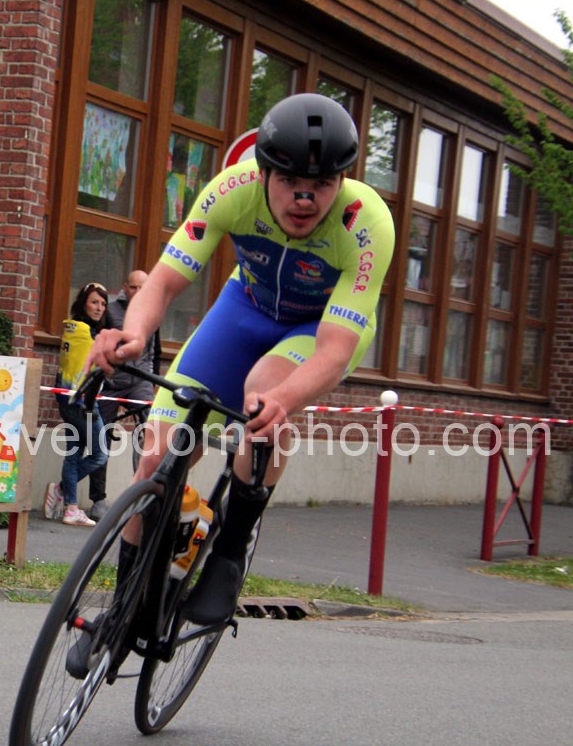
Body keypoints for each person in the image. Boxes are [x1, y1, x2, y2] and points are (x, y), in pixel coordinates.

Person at [86, 93, 395, 624]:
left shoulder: (365, 224)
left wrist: (282, 401)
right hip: (245, 307)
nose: (304, 198)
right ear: (264, 171)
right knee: (154, 459)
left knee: (262, 394)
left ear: (342, 180)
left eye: (322, 184)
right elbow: (163, 281)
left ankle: (229, 552)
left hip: (317, 328)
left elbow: (334, 350)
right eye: (289, 181)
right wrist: (131, 334)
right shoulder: (232, 190)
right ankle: (121, 610)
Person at [86, 270, 161, 521]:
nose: (138, 293)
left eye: (143, 288)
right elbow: (96, 341)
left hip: (140, 381)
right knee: (101, 438)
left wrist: (152, 380)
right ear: (124, 288)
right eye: (133, 287)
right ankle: (98, 500)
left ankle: (143, 495)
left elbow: (155, 350)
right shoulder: (110, 310)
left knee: (150, 433)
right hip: (112, 382)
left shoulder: (153, 310)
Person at [44, 282, 110, 526]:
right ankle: (63, 491)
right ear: (83, 304)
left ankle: (70, 506)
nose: (99, 308)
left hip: (68, 400)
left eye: (103, 304)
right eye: (94, 302)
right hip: (84, 403)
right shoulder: (86, 333)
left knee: (74, 454)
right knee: (100, 454)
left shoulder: (72, 329)